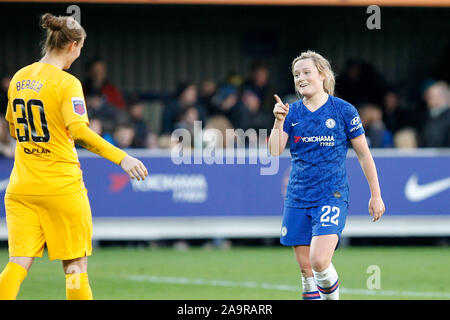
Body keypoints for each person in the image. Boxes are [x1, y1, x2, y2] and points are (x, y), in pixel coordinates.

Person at [0, 13, 148, 300]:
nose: (79, 55)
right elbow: (80, 132)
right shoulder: (67, 84)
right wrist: (122, 158)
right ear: (73, 46)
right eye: (80, 49)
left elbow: (14, 129)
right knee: (75, 268)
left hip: (22, 189)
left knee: (17, 264)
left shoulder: (19, 77)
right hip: (61, 188)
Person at [268, 51, 385, 300]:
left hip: (331, 194)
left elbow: (364, 154)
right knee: (306, 271)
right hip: (298, 196)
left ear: (322, 75)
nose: (301, 78)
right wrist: (278, 121)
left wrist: (376, 195)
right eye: (296, 74)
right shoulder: (292, 113)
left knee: (319, 260)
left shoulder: (343, 110)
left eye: (307, 72)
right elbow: (274, 151)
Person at [421, 81, 450, 148]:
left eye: (429, 96)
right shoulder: (429, 116)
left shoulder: (447, 118)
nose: (426, 99)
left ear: (440, 97)